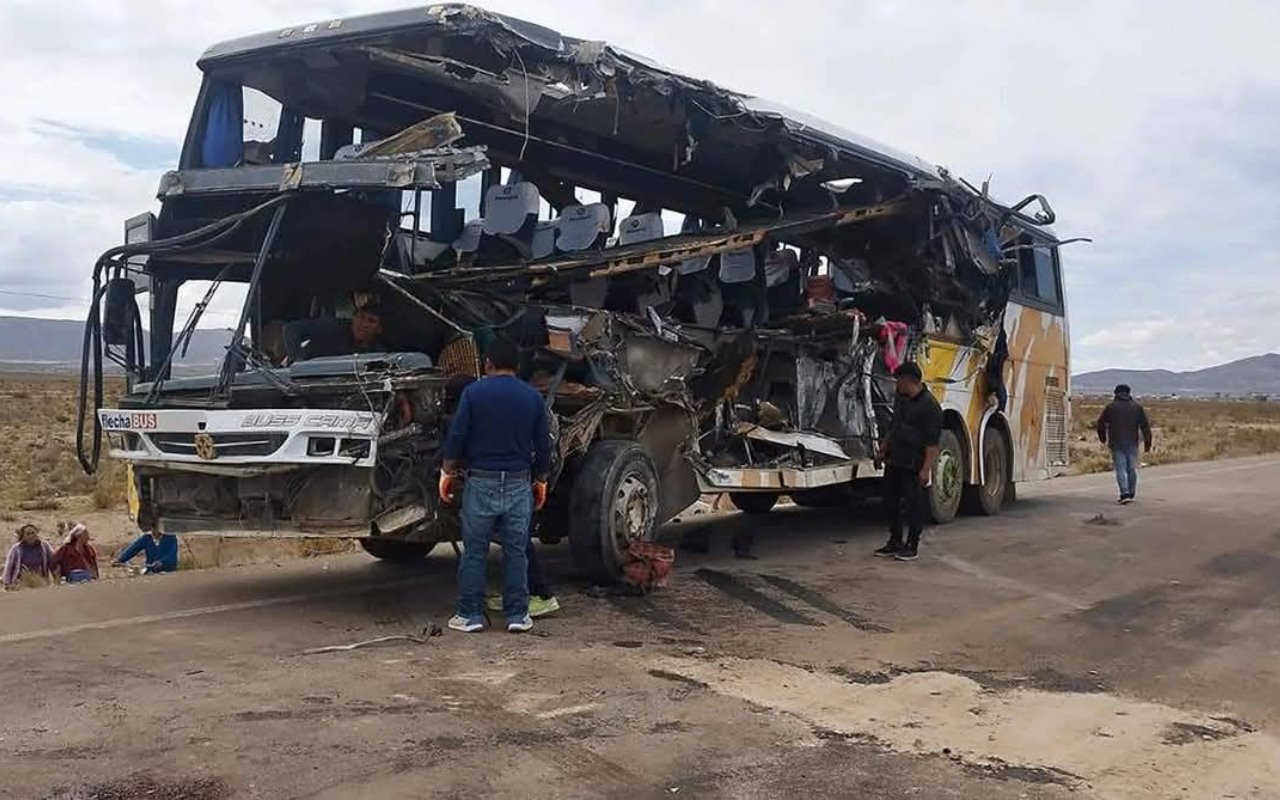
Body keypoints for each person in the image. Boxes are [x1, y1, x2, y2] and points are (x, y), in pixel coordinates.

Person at [440, 338, 551, 634]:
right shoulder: (532, 397)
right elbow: (543, 445)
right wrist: (540, 479)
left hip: (481, 482)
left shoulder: (473, 394)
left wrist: (447, 471)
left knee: (475, 551)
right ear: (517, 366)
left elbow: (457, 435)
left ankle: (470, 615)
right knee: (516, 551)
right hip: (518, 484)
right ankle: (517, 615)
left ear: (488, 363)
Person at [874, 361, 943, 562]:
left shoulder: (930, 407)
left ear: (909, 381)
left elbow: (932, 444)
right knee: (890, 502)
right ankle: (895, 540)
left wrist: (926, 469)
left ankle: (912, 545)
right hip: (895, 460)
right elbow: (893, 427)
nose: (897, 385)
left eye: (899, 381)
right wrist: (883, 450)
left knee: (913, 505)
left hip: (914, 462)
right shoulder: (902, 400)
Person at [1096, 384, 1153, 504]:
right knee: (1131, 468)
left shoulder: (1111, 407)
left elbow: (1100, 423)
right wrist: (1148, 443)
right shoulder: (1137, 407)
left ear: (1116, 393)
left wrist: (1103, 438)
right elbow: (1145, 427)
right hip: (1132, 442)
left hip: (1116, 442)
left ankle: (1124, 493)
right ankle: (1131, 492)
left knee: (1120, 469)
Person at [283, 302, 386, 362]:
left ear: (379, 329)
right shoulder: (332, 327)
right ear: (353, 318)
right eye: (361, 317)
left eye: (371, 321)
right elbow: (291, 329)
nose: (364, 324)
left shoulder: (378, 353)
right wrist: (297, 361)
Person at [3, 524, 55, 589]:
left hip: (41, 581)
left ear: (37, 533)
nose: (31, 536)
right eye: (28, 534)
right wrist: (7, 583)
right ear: (23, 536)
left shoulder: (44, 546)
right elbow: (9, 566)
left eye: (33, 533)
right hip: (21, 583)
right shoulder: (16, 549)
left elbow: (53, 560)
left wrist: (57, 576)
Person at [115, 529, 180, 574]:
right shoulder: (147, 538)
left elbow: (172, 554)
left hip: (168, 570)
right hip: (151, 570)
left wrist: (162, 562)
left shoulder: (170, 537)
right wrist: (120, 559)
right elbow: (134, 548)